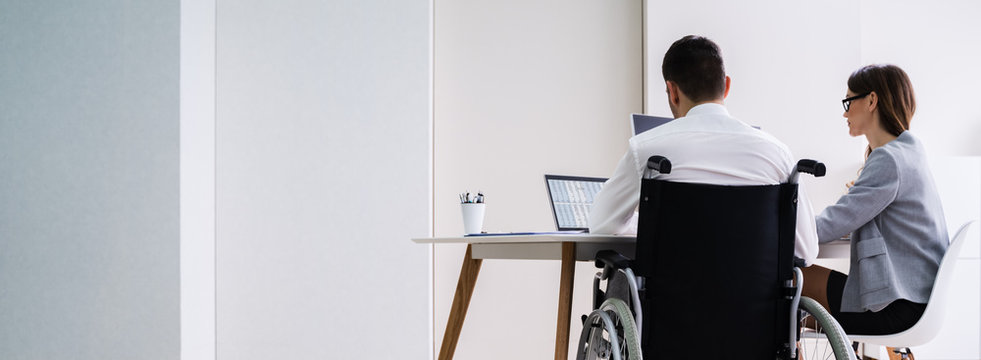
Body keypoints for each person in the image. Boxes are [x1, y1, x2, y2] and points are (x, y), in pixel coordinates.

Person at [588, 35, 819, 265]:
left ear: (672, 90)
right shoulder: (777, 154)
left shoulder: (648, 149)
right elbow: (806, 252)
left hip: (670, 299)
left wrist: (649, 223)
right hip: (757, 301)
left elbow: (602, 224)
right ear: (726, 86)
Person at [800, 64, 949, 343]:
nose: (844, 113)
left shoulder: (889, 160)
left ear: (871, 100)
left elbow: (832, 224)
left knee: (788, 282)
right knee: (784, 304)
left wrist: (778, 230)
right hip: (913, 300)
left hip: (895, 306)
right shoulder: (908, 152)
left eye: (848, 102)